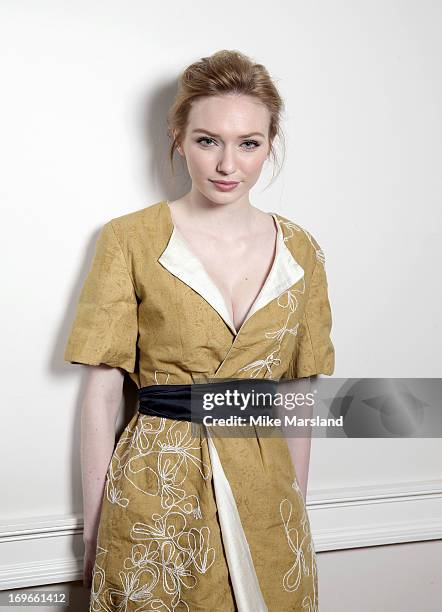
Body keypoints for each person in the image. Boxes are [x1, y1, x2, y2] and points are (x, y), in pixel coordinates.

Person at [64, 49, 335, 612]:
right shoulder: (130, 239)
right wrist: (95, 528)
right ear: (178, 138)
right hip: (156, 489)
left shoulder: (302, 250)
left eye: (249, 143)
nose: (227, 165)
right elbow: (101, 392)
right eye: (208, 140)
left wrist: (296, 514)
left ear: (269, 144)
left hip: (267, 492)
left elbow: (296, 393)